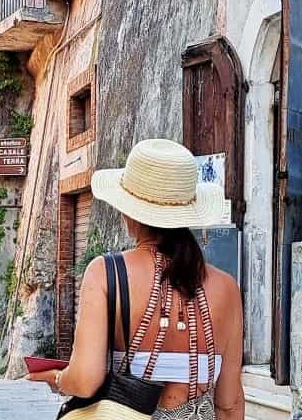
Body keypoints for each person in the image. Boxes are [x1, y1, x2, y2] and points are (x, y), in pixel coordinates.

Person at [29, 139, 244, 419]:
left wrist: (58, 378)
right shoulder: (226, 288)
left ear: (129, 212)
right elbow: (229, 403)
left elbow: (84, 380)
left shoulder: (105, 273)